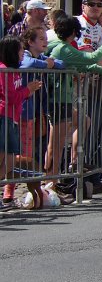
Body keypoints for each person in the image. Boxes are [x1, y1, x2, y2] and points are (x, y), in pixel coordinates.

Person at [45, 16, 102, 196]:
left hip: (63, 100)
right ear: (74, 32)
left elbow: (83, 65)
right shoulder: (63, 48)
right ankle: (50, 184)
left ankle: (74, 161)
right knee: (56, 145)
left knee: (84, 121)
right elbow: (91, 57)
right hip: (58, 100)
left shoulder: (60, 47)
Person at [0, 35, 42, 211]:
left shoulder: (14, 69)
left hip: (12, 119)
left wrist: (27, 91)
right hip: (3, 117)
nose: (22, 53)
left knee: (9, 161)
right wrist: (28, 90)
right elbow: (9, 96)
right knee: (3, 158)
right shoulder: (3, 70)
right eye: (19, 50)